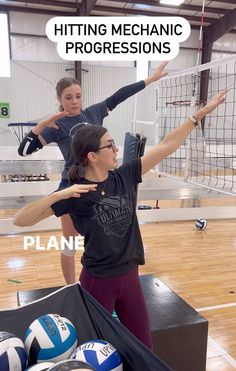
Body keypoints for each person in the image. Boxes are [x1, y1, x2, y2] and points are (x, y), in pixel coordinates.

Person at [13, 90, 226, 349]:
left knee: (144, 346)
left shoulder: (124, 176)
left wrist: (200, 115)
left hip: (131, 277)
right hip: (98, 281)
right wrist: (59, 195)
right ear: (92, 156)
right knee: (97, 348)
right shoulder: (76, 194)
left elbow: (166, 146)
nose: (116, 149)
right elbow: (21, 220)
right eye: (110, 145)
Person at [18, 63, 168, 284]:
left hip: (100, 183)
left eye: (78, 96)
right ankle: (71, 288)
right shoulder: (56, 125)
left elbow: (119, 96)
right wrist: (40, 126)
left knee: (105, 235)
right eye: (68, 97)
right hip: (73, 187)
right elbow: (24, 151)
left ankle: (109, 279)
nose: (75, 101)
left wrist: (150, 79)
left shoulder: (94, 112)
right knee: (70, 243)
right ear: (59, 99)